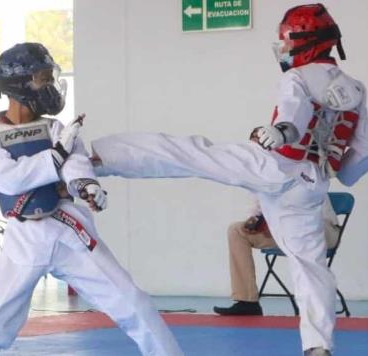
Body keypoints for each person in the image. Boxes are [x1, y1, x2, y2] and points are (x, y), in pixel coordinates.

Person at [90, 4, 367, 356]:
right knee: (310, 268)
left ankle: (99, 158)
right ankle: (318, 347)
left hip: (271, 165)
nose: (284, 49)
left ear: (303, 42)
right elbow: (355, 164)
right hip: (309, 186)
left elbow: (291, 116)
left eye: (286, 41)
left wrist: (281, 134)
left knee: (192, 154)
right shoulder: (358, 92)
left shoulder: (296, 78)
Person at [0, 43, 183, 356]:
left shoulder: (56, 129)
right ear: (17, 84)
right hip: (24, 238)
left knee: (133, 303)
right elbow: (10, 179)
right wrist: (56, 156)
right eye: (41, 78)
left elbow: (75, 164)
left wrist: (85, 187)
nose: (49, 85)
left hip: (67, 229)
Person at [213, 195, 340, 316]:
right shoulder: (260, 177)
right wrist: (255, 222)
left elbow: (301, 210)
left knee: (295, 226)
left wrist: (275, 226)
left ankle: (315, 303)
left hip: (320, 229)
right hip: (284, 231)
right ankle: (247, 302)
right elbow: (258, 208)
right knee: (236, 230)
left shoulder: (299, 173)